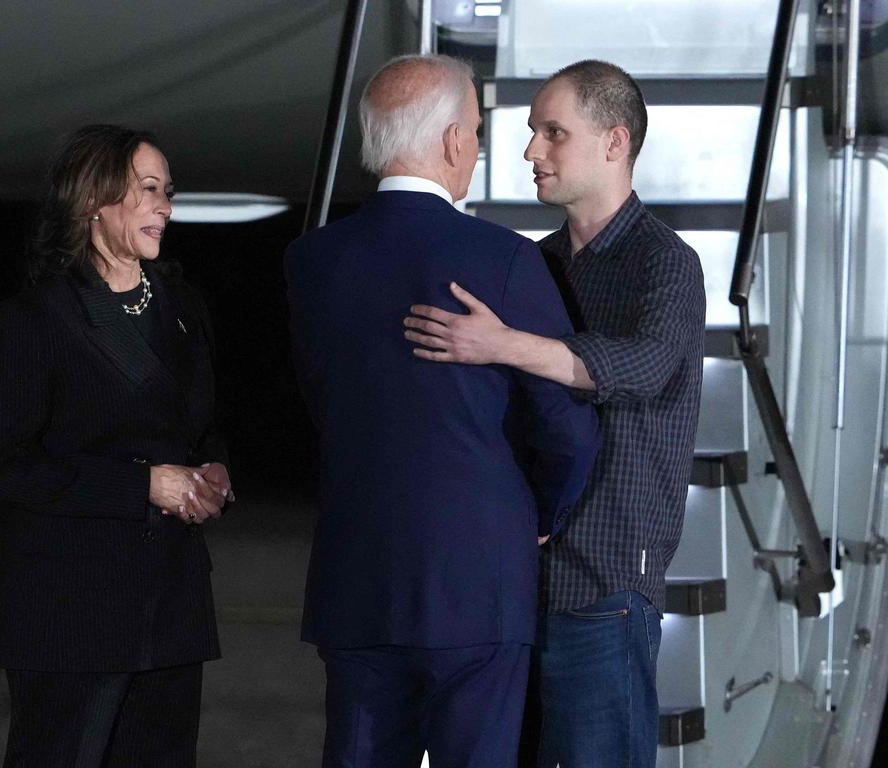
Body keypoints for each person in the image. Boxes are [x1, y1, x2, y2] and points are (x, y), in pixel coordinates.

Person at [285, 55, 599, 768]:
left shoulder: (311, 262)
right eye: (479, 133)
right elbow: (565, 427)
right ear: (454, 141)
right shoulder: (508, 260)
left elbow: (323, 403)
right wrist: (537, 517)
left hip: (358, 572)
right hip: (478, 576)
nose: (480, 149)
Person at [404, 59, 706, 768]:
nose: (530, 150)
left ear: (614, 142)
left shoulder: (666, 265)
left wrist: (503, 344)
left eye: (553, 132)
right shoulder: (536, 264)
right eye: (533, 131)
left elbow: (640, 366)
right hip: (513, 584)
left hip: (605, 587)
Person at [0, 124, 233, 767]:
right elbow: (12, 469)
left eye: (168, 193)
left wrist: (215, 473)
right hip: (72, 612)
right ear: (95, 200)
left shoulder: (182, 305)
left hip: (171, 605)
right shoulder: (35, 320)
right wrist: (145, 484)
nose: (166, 208)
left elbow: (202, 430)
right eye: (149, 190)